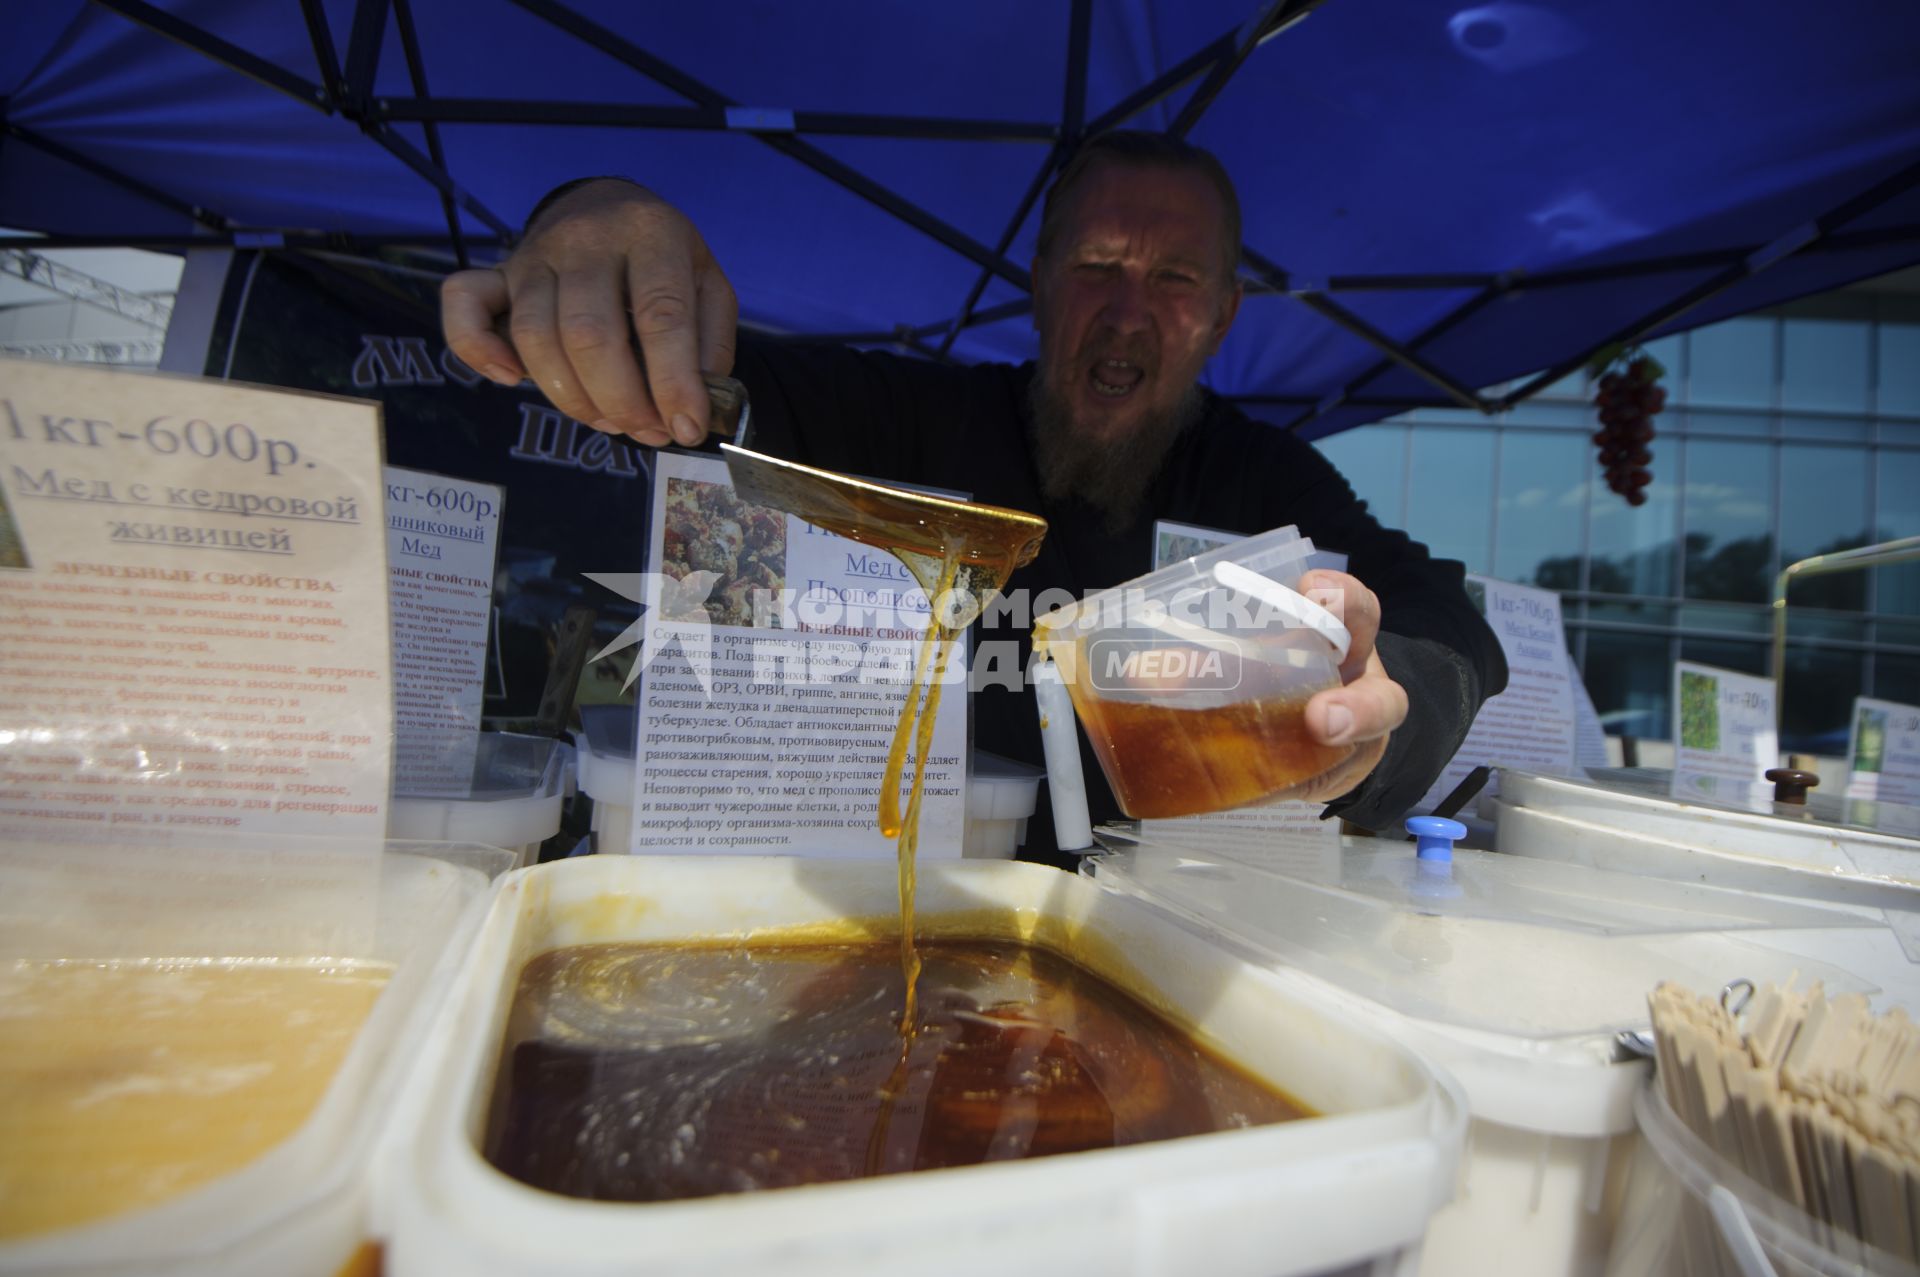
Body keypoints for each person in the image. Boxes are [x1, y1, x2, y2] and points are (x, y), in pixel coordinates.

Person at [443, 131, 1507, 855]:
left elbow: (1448, 620)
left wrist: (1388, 701)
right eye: (1097, 263)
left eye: (1176, 280)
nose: (1130, 312)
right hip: (878, 900)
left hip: (1161, 935)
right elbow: (722, 391)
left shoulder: (1263, 479)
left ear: (1225, 315)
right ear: (1038, 282)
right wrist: (592, 226)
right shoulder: (907, 421)